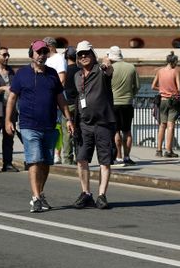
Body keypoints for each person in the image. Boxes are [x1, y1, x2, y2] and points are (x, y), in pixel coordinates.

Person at [5, 39, 72, 213]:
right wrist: (8, 120)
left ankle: (40, 193)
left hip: (49, 125)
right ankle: (35, 198)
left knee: (46, 162)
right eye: (38, 52)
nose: (41, 55)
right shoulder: (22, 74)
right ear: (31, 54)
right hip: (29, 125)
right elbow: (12, 98)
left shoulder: (52, 74)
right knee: (34, 160)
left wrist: (69, 119)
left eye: (44, 52)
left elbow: (61, 99)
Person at [72, 41, 116, 210]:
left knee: (104, 161)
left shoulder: (100, 70)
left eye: (86, 53)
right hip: (84, 124)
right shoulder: (77, 76)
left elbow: (109, 70)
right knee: (81, 159)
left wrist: (107, 65)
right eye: (80, 54)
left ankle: (102, 195)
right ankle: (86, 193)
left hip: (103, 122)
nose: (83, 56)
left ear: (93, 54)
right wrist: (73, 122)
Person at [108, 45, 140, 166]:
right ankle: (127, 157)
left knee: (116, 131)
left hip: (113, 104)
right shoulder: (131, 67)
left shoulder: (110, 68)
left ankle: (119, 157)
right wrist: (131, 94)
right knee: (127, 131)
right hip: (127, 103)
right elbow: (137, 86)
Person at [151, 51, 180, 158]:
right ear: (173, 62)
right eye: (176, 62)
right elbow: (179, 88)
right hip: (172, 101)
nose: (177, 64)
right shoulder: (175, 71)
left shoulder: (160, 71)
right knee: (170, 125)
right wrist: (173, 91)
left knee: (162, 125)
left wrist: (162, 89)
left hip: (162, 100)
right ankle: (168, 150)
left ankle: (159, 150)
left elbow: (153, 86)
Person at [43, 37, 68, 164]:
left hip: (55, 97)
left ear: (50, 46)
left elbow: (62, 79)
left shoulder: (59, 58)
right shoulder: (47, 59)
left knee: (57, 126)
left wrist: (55, 97)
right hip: (47, 97)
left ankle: (57, 154)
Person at [60, 46, 79, 165]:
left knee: (66, 133)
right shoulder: (80, 70)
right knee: (78, 131)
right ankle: (79, 156)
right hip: (78, 105)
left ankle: (67, 158)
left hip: (66, 105)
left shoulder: (64, 71)